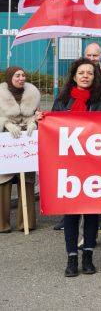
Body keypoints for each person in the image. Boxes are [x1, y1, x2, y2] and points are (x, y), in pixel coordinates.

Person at [53, 55, 101, 277]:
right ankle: (71, 259)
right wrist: (42, 118)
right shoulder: (62, 101)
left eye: (89, 73)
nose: (85, 76)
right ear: (74, 77)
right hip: (70, 166)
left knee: (91, 213)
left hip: (94, 164)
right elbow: (54, 128)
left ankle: (88, 257)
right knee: (71, 215)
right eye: (81, 73)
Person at [0, 66, 41, 233]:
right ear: (10, 77)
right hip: (5, 143)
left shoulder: (33, 94)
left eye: (23, 75)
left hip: (26, 142)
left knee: (27, 181)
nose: (21, 78)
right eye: (17, 75)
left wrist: (34, 122)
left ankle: (27, 222)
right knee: (3, 182)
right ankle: (2, 224)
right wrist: (5, 123)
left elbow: (37, 114)